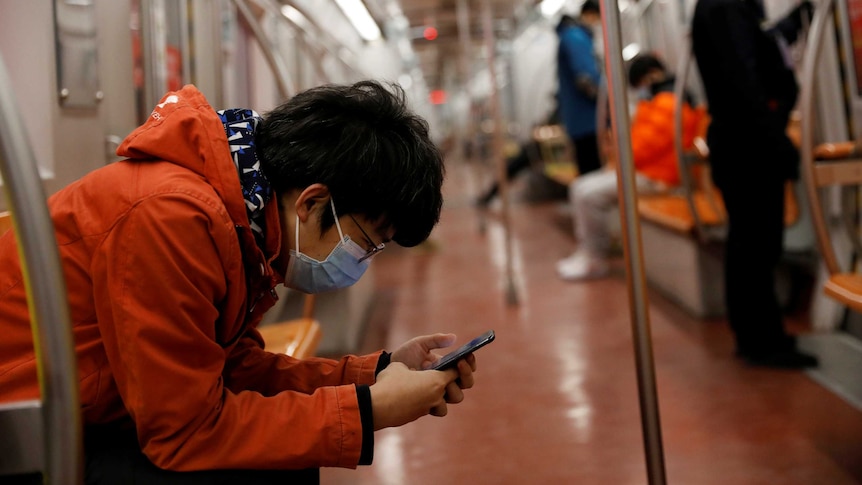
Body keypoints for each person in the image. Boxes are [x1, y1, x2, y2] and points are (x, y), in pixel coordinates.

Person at [0, 81, 477, 483]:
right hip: (28, 433)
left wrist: (375, 373)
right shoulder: (171, 218)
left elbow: (233, 366)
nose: (363, 261)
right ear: (312, 203)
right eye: (365, 243)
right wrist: (369, 410)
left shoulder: (240, 224)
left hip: (97, 410)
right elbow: (185, 435)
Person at [691, 0, 818, 368]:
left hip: (742, 138)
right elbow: (742, 77)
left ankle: (758, 335)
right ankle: (762, 341)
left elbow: (753, 53)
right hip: (748, 142)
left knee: (751, 243)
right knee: (756, 245)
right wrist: (777, 142)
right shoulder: (727, 4)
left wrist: (789, 27)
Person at [556, 53, 706, 281]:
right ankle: (589, 250)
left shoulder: (669, 104)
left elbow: (639, 148)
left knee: (588, 194)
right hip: (648, 171)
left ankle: (595, 255)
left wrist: (618, 154)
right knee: (580, 186)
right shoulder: (658, 103)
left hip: (660, 178)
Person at [556, 1, 603, 177]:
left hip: (579, 119)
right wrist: (608, 103)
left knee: (588, 173)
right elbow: (586, 78)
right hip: (588, 120)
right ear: (590, 14)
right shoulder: (576, 37)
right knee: (592, 175)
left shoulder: (570, 36)